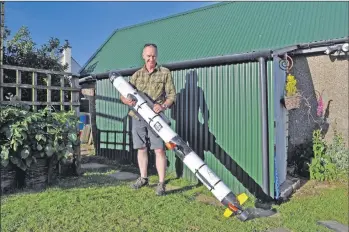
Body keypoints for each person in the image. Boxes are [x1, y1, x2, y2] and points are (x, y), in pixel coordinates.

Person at [120, 43, 176, 196]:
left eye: (154, 56)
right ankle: (143, 178)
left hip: (155, 117)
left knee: (159, 149)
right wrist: (126, 101)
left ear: (157, 56)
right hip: (137, 116)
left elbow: (171, 95)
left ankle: (161, 183)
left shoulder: (165, 73)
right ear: (143, 56)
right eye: (148, 56)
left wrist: (163, 106)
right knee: (141, 148)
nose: (151, 59)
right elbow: (123, 94)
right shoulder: (136, 75)